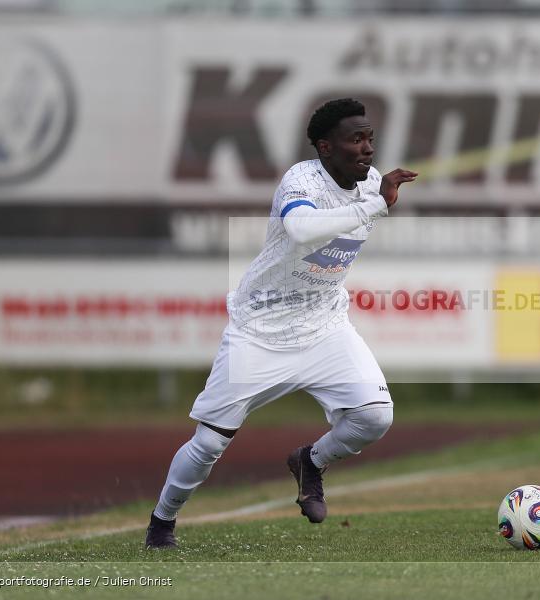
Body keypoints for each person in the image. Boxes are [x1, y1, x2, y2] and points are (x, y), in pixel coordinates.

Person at [145, 98, 418, 548]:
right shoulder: (301, 179)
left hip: (324, 326)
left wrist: (375, 198)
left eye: (370, 137)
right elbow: (303, 230)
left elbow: (361, 209)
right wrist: (374, 206)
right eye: (356, 139)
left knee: (374, 416)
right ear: (325, 147)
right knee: (210, 444)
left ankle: (311, 462)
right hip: (260, 332)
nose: (368, 149)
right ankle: (162, 522)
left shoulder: (370, 183)